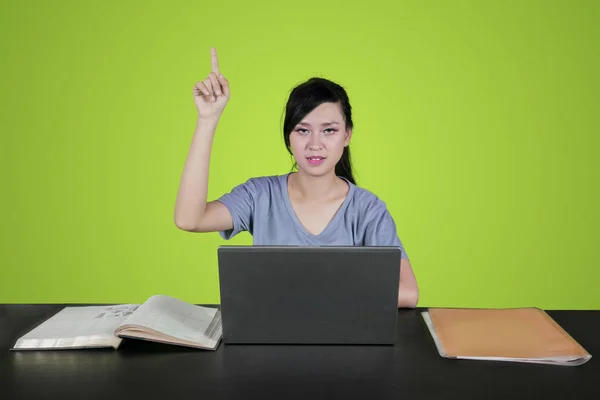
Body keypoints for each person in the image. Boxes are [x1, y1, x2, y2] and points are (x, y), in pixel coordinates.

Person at [174, 48, 419, 308]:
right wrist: (207, 119)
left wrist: (314, 293)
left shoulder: (368, 209)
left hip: (342, 342)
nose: (315, 144)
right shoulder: (260, 195)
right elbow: (189, 219)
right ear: (289, 138)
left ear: (346, 136)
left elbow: (408, 293)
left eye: (329, 130)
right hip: (270, 338)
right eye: (303, 130)